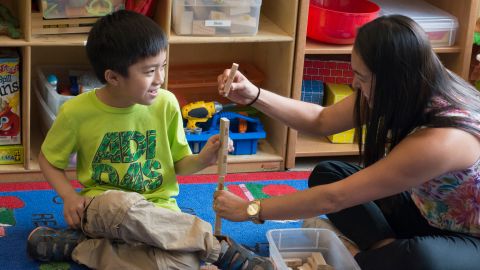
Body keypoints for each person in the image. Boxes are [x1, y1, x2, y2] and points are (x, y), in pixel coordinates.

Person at [214, 15, 480, 270]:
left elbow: (334, 199)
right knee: (328, 173)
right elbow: (321, 120)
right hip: (426, 209)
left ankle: (368, 255)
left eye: (361, 77)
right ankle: (380, 253)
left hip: (468, 237)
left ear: (392, 78)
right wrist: (253, 95)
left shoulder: (441, 140)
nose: (354, 83)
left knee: (421, 258)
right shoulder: (408, 83)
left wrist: (251, 209)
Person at [26, 10, 273, 270]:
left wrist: (205, 158)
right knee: (118, 203)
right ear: (113, 77)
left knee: (183, 262)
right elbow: (49, 160)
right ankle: (217, 248)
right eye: (149, 71)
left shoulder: (166, 104)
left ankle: (81, 248)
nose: (160, 79)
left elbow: (178, 164)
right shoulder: (76, 112)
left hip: (162, 215)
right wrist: (69, 197)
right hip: (103, 209)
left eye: (162, 66)